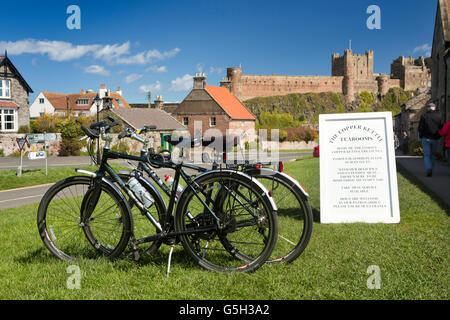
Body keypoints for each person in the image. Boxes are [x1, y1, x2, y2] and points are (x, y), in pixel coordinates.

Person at [418, 103, 443, 177]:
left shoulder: (424, 116)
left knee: (426, 155)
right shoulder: (439, 116)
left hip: (425, 138)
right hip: (435, 138)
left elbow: (420, 127)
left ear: (428, 108)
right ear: (434, 108)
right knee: (432, 155)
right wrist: (439, 136)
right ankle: (431, 168)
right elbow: (441, 127)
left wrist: (421, 136)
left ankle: (429, 168)